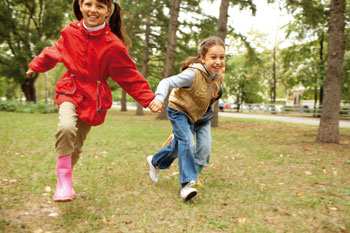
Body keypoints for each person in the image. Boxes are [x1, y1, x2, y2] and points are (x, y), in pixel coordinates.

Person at [26, 0, 161, 202]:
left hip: (93, 97)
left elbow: (128, 75)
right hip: (70, 89)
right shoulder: (69, 32)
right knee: (66, 127)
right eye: (88, 3)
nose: (93, 10)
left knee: (77, 145)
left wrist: (149, 99)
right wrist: (37, 65)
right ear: (80, 5)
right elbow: (54, 51)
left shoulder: (113, 44)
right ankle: (62, 182)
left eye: (100, 6)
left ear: (108, 11)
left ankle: (66, 181)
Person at [147, 36, 226, 201]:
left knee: (179, 148)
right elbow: (166, 82)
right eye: (213, 57)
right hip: (179, 111)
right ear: (203, 58)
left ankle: (155, 160)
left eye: (222, 57)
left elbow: (211, 94)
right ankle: (187, 184)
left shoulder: (218, 76)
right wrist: (159, 98)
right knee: (188, 144)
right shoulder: (192, 74)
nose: (218, 61)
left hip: (196, 115)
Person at [162, 87, 223, 187]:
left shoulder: (218, 90)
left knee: (205, 147)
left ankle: (194, 177)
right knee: (180, 149)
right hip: (187, 119)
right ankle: (167, 149)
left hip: (204, 120)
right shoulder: (193, 82)